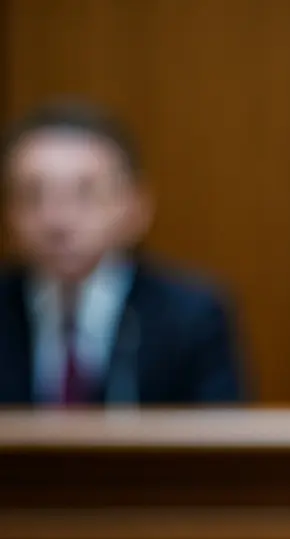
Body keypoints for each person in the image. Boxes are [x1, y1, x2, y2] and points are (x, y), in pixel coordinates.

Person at [0, 100, 249, 405]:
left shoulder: (190, 316)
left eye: (84, 193)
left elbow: (220, 429)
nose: (56, 219)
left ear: (136, 207)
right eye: (32, 195)